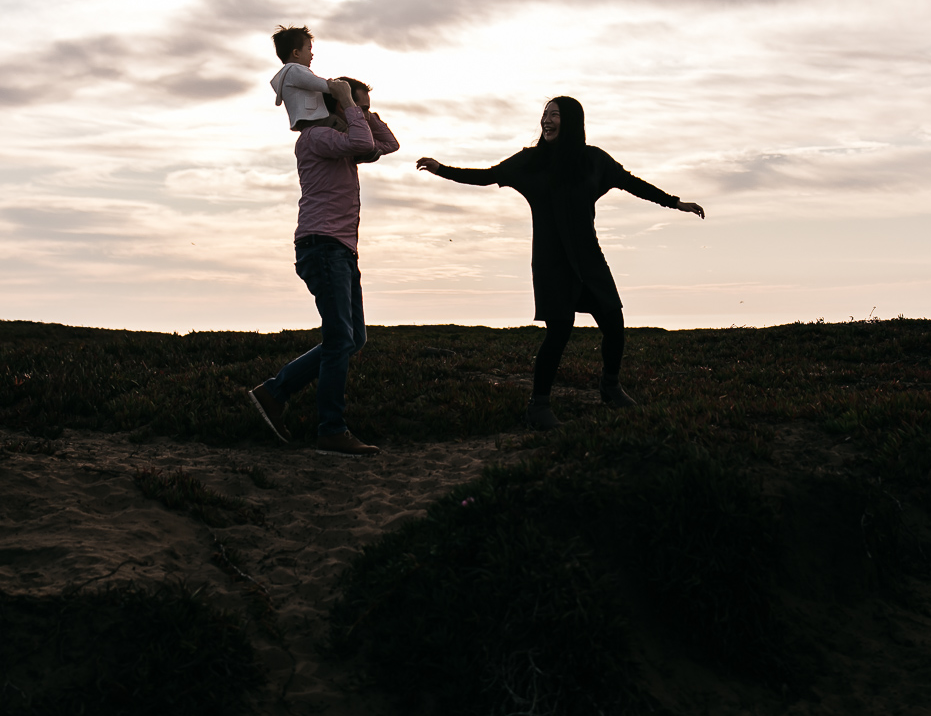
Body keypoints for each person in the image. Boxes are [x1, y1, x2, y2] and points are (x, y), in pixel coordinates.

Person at [415, 96, 703, 430]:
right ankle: (538, 406)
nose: (546, 121)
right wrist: (441, 170)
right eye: (544, 115)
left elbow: (632, 183)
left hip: (588, 258)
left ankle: (610, 387)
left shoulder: (593, 160)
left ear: (571, 121)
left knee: (614, 322)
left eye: (554, 115)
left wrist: (675, 203)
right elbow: (487, 175)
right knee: (559, 331)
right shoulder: (531, 161)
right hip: (551, 261)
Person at [249, 75, 399, 456]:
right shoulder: (318, 139)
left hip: (341, 250)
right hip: (323, 247)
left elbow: (388, 144)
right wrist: (349, 103)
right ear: (335, 106)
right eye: (355, 107)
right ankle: (331, 429)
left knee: (353, 339)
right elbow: (365, 142)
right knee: (339, 341)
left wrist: (365, 111)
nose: (362, 114)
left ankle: (274, 392)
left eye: (364, 108)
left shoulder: (344, 144)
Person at [269, 24, 331, 131]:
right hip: (314, 118)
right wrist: (334, 85)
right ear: (296, 53)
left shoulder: (288, 73)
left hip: (306, 121)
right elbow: (318, 84)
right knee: (343, 128)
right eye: (308, 49)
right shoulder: (295, 70)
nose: (312, 54)